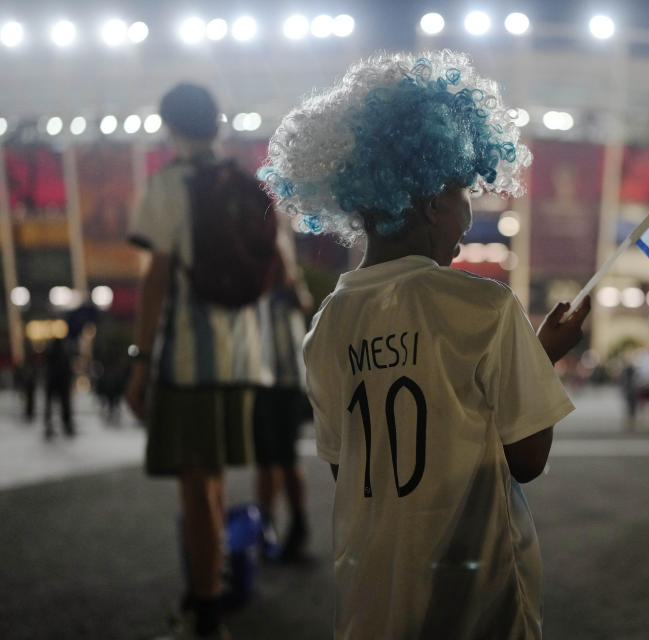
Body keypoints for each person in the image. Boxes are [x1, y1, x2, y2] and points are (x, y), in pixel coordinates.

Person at [260, 50, 591, 638]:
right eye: (466, 193)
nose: (469, 215)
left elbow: (350, 466)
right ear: (435, 200)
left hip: (374, 594)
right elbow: (527, 459)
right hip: (475, 588)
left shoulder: (327, 328)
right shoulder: (484, 306)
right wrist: (543, 356)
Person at [125, 83, 270, 639]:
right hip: (242, 357)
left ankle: (207, 614)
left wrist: (139, 362)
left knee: (196, 483)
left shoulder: (169, 185)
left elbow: (157, 279)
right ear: (216, 123)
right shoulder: (244, 184)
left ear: (170, 126)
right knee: (212, 480)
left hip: (190, 360)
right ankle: (206, 590)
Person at [254, 224, 313, 563]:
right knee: (267, 460)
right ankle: (265, 525)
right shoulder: (256, 284)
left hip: (287, 382)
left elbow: (302, 302)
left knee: (286, 458)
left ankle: (297, 524)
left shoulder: (290, 286)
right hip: (263, 380)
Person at [43, 337, 74, 439]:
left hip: (53, 382)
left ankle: (51, 424)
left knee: (51, 405)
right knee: (64, 405)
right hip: (60, 383)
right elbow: (68, 369)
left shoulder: (51, 354)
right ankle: (66, 424)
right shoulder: (64, 354)